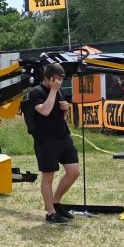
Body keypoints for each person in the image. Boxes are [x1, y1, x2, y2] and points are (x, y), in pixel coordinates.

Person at [27, 63, 80, 225]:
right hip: (45, 139)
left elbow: (59, 117)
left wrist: (66, 109)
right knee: (48, 175)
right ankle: (50, 213)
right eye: (56, 80)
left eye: (61, 80)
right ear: (47, 79)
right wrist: (53, 91)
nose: (59, 83)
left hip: (63, 136)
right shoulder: (36, 92)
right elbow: (44, 111)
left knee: (74, 172)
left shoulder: (59, 90)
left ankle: (56, 202)